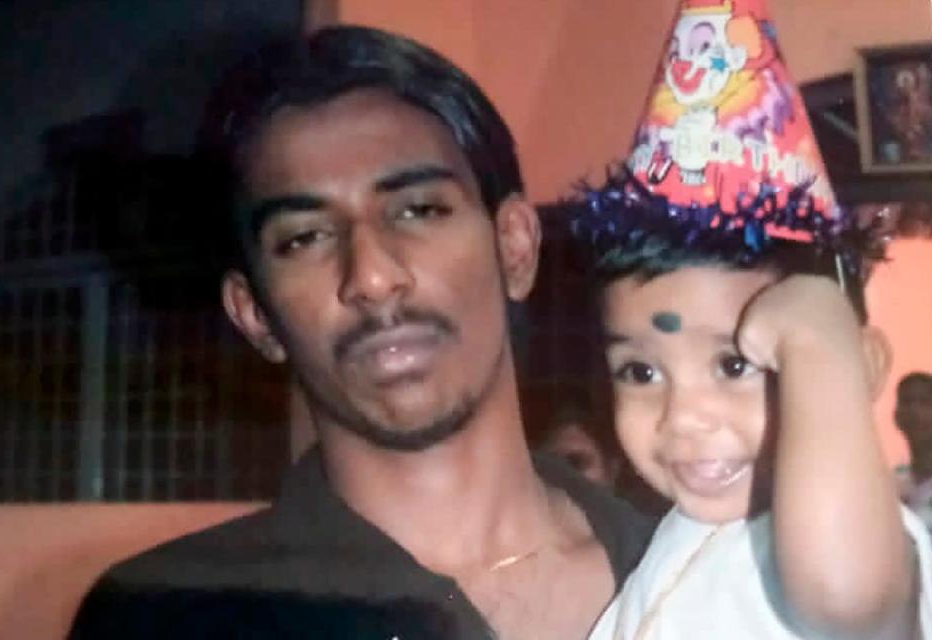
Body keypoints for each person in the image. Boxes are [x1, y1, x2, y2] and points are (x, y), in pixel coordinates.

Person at [68, 25, 655, 640]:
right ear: (254, 314)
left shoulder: (708, 573)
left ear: (513, 247)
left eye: (417, 210)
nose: (371, 277)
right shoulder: (161, 622)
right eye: (305, 238)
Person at [570, 1, 932, 637]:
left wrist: (817, 342)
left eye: (733, 363)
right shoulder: (680, 535)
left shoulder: (857, 541)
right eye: (641, 370)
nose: (682, 416)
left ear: (860, 365)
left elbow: (845, 600)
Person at [896, 371, 932, 530]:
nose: (915, 412)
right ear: (897, 417)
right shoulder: (892, 483)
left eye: (925, 402)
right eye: (907, 401)